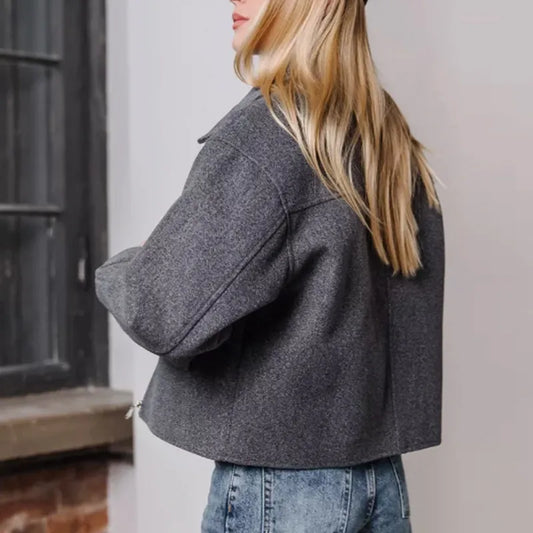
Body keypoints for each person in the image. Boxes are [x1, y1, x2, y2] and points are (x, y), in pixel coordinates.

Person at [94, 0, 445, 531]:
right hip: (380, 479)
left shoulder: (270, 135)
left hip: (286, 493)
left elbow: (162, 310)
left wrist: (128, 266)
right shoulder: (380, 130)